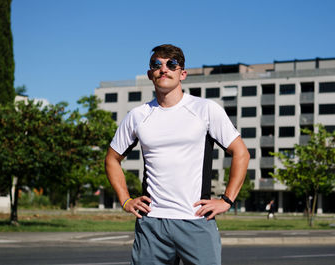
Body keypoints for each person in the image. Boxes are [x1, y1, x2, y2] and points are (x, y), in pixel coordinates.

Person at [105, 44, 250, 265]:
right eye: (157, 64)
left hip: (196, 221)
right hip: (152, 225)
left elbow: (240, 152)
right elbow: (112, 159)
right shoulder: (137, 116)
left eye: (171, 64)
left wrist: (227, 200)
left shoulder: (205, 110)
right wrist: (125, 201)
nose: (164, 69)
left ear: (182, 73)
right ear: (150, 74)